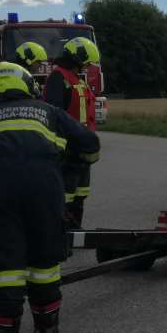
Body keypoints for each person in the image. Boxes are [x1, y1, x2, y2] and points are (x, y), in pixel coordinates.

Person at [0, 62, 100, 333]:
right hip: (44, 193)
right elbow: (91, 146)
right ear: (28, 84)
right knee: (44, 267)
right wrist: (69, 159)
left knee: (7, 271)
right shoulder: (47, 111)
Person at [44, 37, 100, 228]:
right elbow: (54, 113)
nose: (87, 66)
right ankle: (61, 232)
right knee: (65, 192)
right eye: (86, 62)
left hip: (82, 146)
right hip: (68, 147)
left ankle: (75, 230)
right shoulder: (58, 77)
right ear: (77, 58)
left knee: (80, 192)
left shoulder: (76, 79)